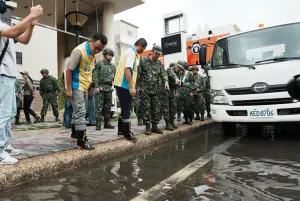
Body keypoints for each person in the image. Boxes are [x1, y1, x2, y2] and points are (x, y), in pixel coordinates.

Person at [0, 2, 43, 164]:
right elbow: (14, 31)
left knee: (9, 112)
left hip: (8, 75)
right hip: (2, 73)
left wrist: (31, 26)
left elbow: (23, 39)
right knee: (3, 114)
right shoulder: (4, 27)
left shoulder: (3, 25)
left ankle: (5, 146)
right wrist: (31, 14)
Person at [65, 33, 107, 150]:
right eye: (96, 47)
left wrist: (89, 88)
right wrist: (69, 89)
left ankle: (74, 133)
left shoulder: (93, 53)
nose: (97, 51)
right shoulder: (79, 51)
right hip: (76, 85)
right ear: (91, 41)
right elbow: (69, 70)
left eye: (100, 49)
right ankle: (81, 141)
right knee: (81, 112)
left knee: (78, 111)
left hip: (84, 85)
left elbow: (87, 72)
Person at [113, 38, 147, 142]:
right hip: (124, 85)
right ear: (140, 45)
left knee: (124, 108)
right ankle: (127, 133)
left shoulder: (131, 52)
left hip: (121, 84)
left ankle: (122, 130)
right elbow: (127, 69)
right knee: (127, 109)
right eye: (143, 49)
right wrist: (131, 87)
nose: (143, 51)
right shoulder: (131, 53)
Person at [137, 45, 169, 135]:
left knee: (156, 108)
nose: (157, 56)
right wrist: (138, 88)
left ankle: (155, 127)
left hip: (155, 90)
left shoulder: (159, 63)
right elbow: (138, 75)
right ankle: (148, 127)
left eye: (159, 54)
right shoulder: (143, 60)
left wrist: (166, 82)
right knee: (146, 108)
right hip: (145, 89)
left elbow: (163, 74)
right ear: (152, 51)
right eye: (156, 54)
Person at [93, 48, 116, 130]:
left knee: (108, 107)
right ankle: (98, 124)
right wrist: (96, 87)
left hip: (109, 89)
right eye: (109, 55)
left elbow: (115, 76)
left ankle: (107, 123)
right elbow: (95, 76)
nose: (110, 57)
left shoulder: (113, 66)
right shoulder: (99, 64)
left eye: (112, 55)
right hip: (100, 88)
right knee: (99, 107)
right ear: (105, 55)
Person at [161, 62, 183, 130]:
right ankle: (167, 124)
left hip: (173, 92)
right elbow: (172, 75)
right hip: (166, 91)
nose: (179, 70)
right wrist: (176, 79)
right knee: (166, 108)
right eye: (179, 68)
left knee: (173, 107)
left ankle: (172, 122)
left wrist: (178, 84)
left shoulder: (179, 73)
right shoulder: (170, 69)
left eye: (181, 69)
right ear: (176, 66)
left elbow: (178, 82)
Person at [178, 61, 195, 125]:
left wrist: (192, 91)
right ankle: (186, 119)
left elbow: (193, 83)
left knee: (188, 106)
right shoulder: (180, 74)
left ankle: (190, 119)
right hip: (181, 91)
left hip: (188, 91)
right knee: (183, 106)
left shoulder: (189, 73)